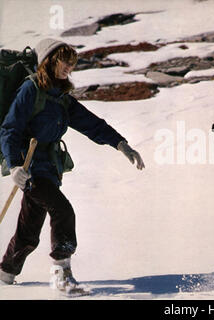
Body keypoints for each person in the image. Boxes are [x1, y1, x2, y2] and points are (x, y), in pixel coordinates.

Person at [0, 39, 145, 291]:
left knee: (29, 230)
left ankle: (5, 273)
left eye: (72, 63)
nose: (69, 66)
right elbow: (10, 128)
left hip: (51, 169)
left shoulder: (61, 97)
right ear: (49, 61)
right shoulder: (31, 89)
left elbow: (92, 124)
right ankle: (62, 276)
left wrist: (121, 144)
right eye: (64, 61)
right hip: (30, 168)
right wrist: (14, 166)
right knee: (63, 210)